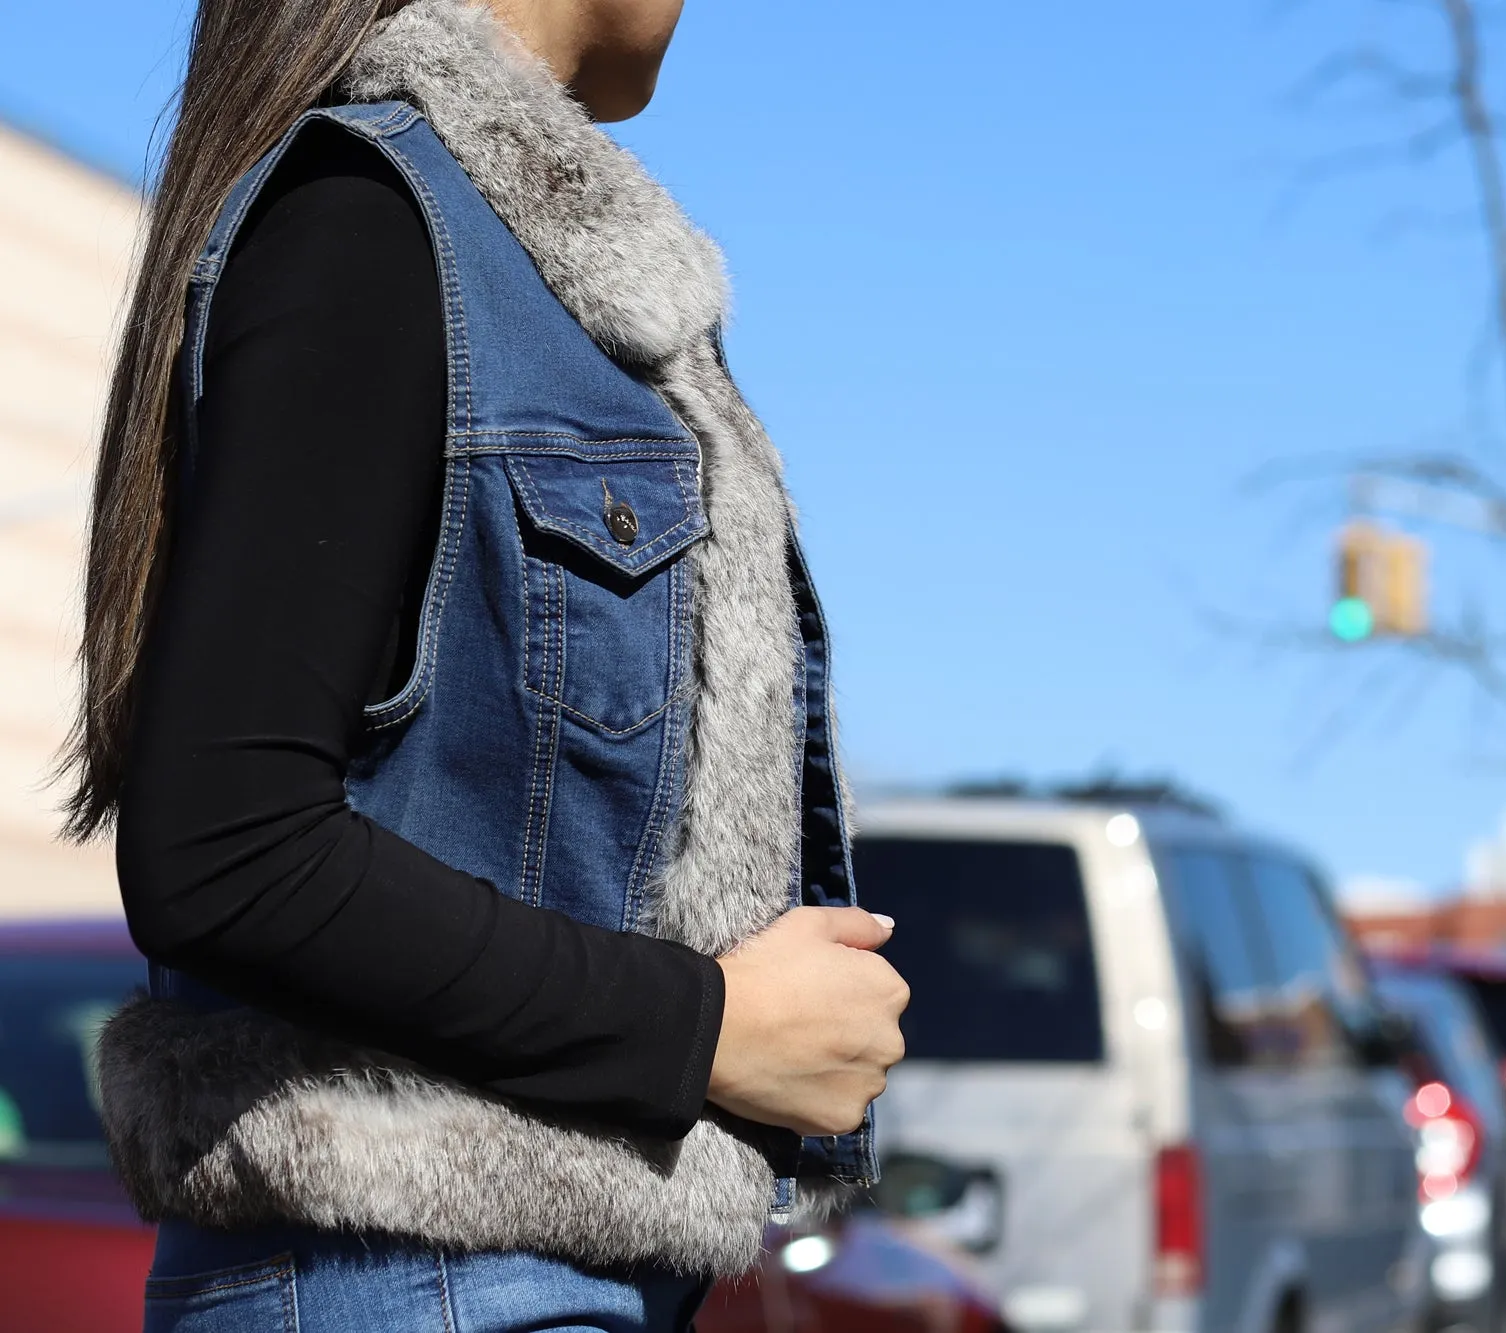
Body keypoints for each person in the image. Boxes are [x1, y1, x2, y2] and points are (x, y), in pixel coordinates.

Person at [60, 0, 908, 1327]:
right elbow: (226, 852)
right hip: (417, 1282)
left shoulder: (510, 272)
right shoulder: (374, 223)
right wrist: (703, 1030)